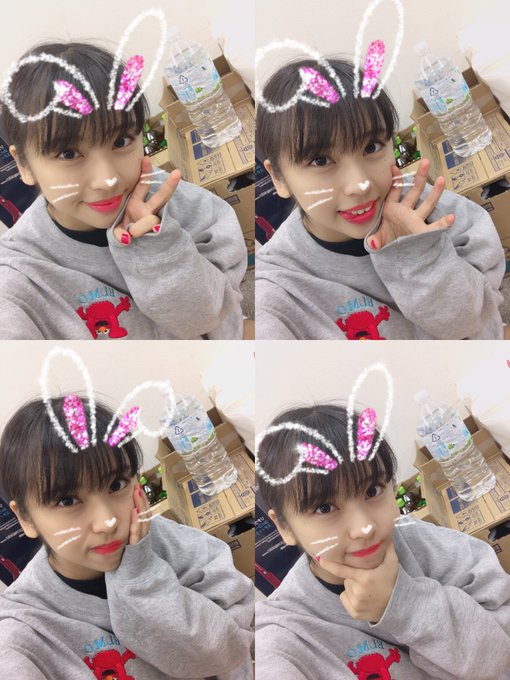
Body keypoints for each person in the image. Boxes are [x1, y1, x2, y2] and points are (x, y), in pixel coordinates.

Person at [0, 41, 247, 339]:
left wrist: (160, 251)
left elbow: (211, 316)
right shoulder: (20, 275)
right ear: (24, 164)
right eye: (68, 154)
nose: (107, 180)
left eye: (120, 141)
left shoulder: (181, 200)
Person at [0, 397, 254, 679]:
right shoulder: (24, 627)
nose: (107, 522)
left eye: (116, 484)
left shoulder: (172, 539)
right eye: (67, 500)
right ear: (25, 517)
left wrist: (141, 575)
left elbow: (233, 648)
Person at [255, 57, 506, 340]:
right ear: (279, 177)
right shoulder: (278, 284)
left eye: (371, 147)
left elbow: (475, 318)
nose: (360, 185)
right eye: (320, 160)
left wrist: (420, 256)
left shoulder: (432, 207)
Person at [255, 404, 510, 679]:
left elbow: (501, 648)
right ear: (284, 526)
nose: (364, 528)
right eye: (324, 508)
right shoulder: (286, 632)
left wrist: (404, 605)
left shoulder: (424, 542)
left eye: (372, 490)